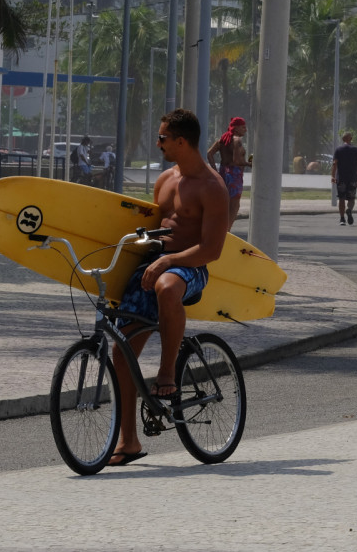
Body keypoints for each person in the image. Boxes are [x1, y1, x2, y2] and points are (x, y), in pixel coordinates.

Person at [109, 109, 228, 466]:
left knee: (166, 286)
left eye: (162, 138)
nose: (157, 143)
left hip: (192, 268)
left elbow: (213, 249)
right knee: (121, 348)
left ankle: (166, 374)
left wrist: (170, 261)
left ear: (181, 141)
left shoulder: (212, 187)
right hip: (156, 263)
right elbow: (152, 228)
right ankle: (128, 441)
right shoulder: (164, 180)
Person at [206, 116, 252, 230]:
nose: (245, 130)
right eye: (243, 127)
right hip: (234, 175)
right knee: (234, 206)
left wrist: (215, 172)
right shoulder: (237, 140)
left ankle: (221, 229)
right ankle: (227, 232)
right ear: (236, 128)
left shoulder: (223, 139)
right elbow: (237, 161)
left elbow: (209, 153)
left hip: (223, 172)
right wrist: (249, 164)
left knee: (225, 205)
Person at [331, 132, 357, 226]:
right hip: (352, 178)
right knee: (351, 199)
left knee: (341, 198)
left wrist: (333, 176)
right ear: (351, 139)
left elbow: (334, 164)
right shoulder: (356, 150)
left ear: (343, 139)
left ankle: (342, 219)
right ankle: (349, 210)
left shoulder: (338, 150)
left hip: (341, 178)